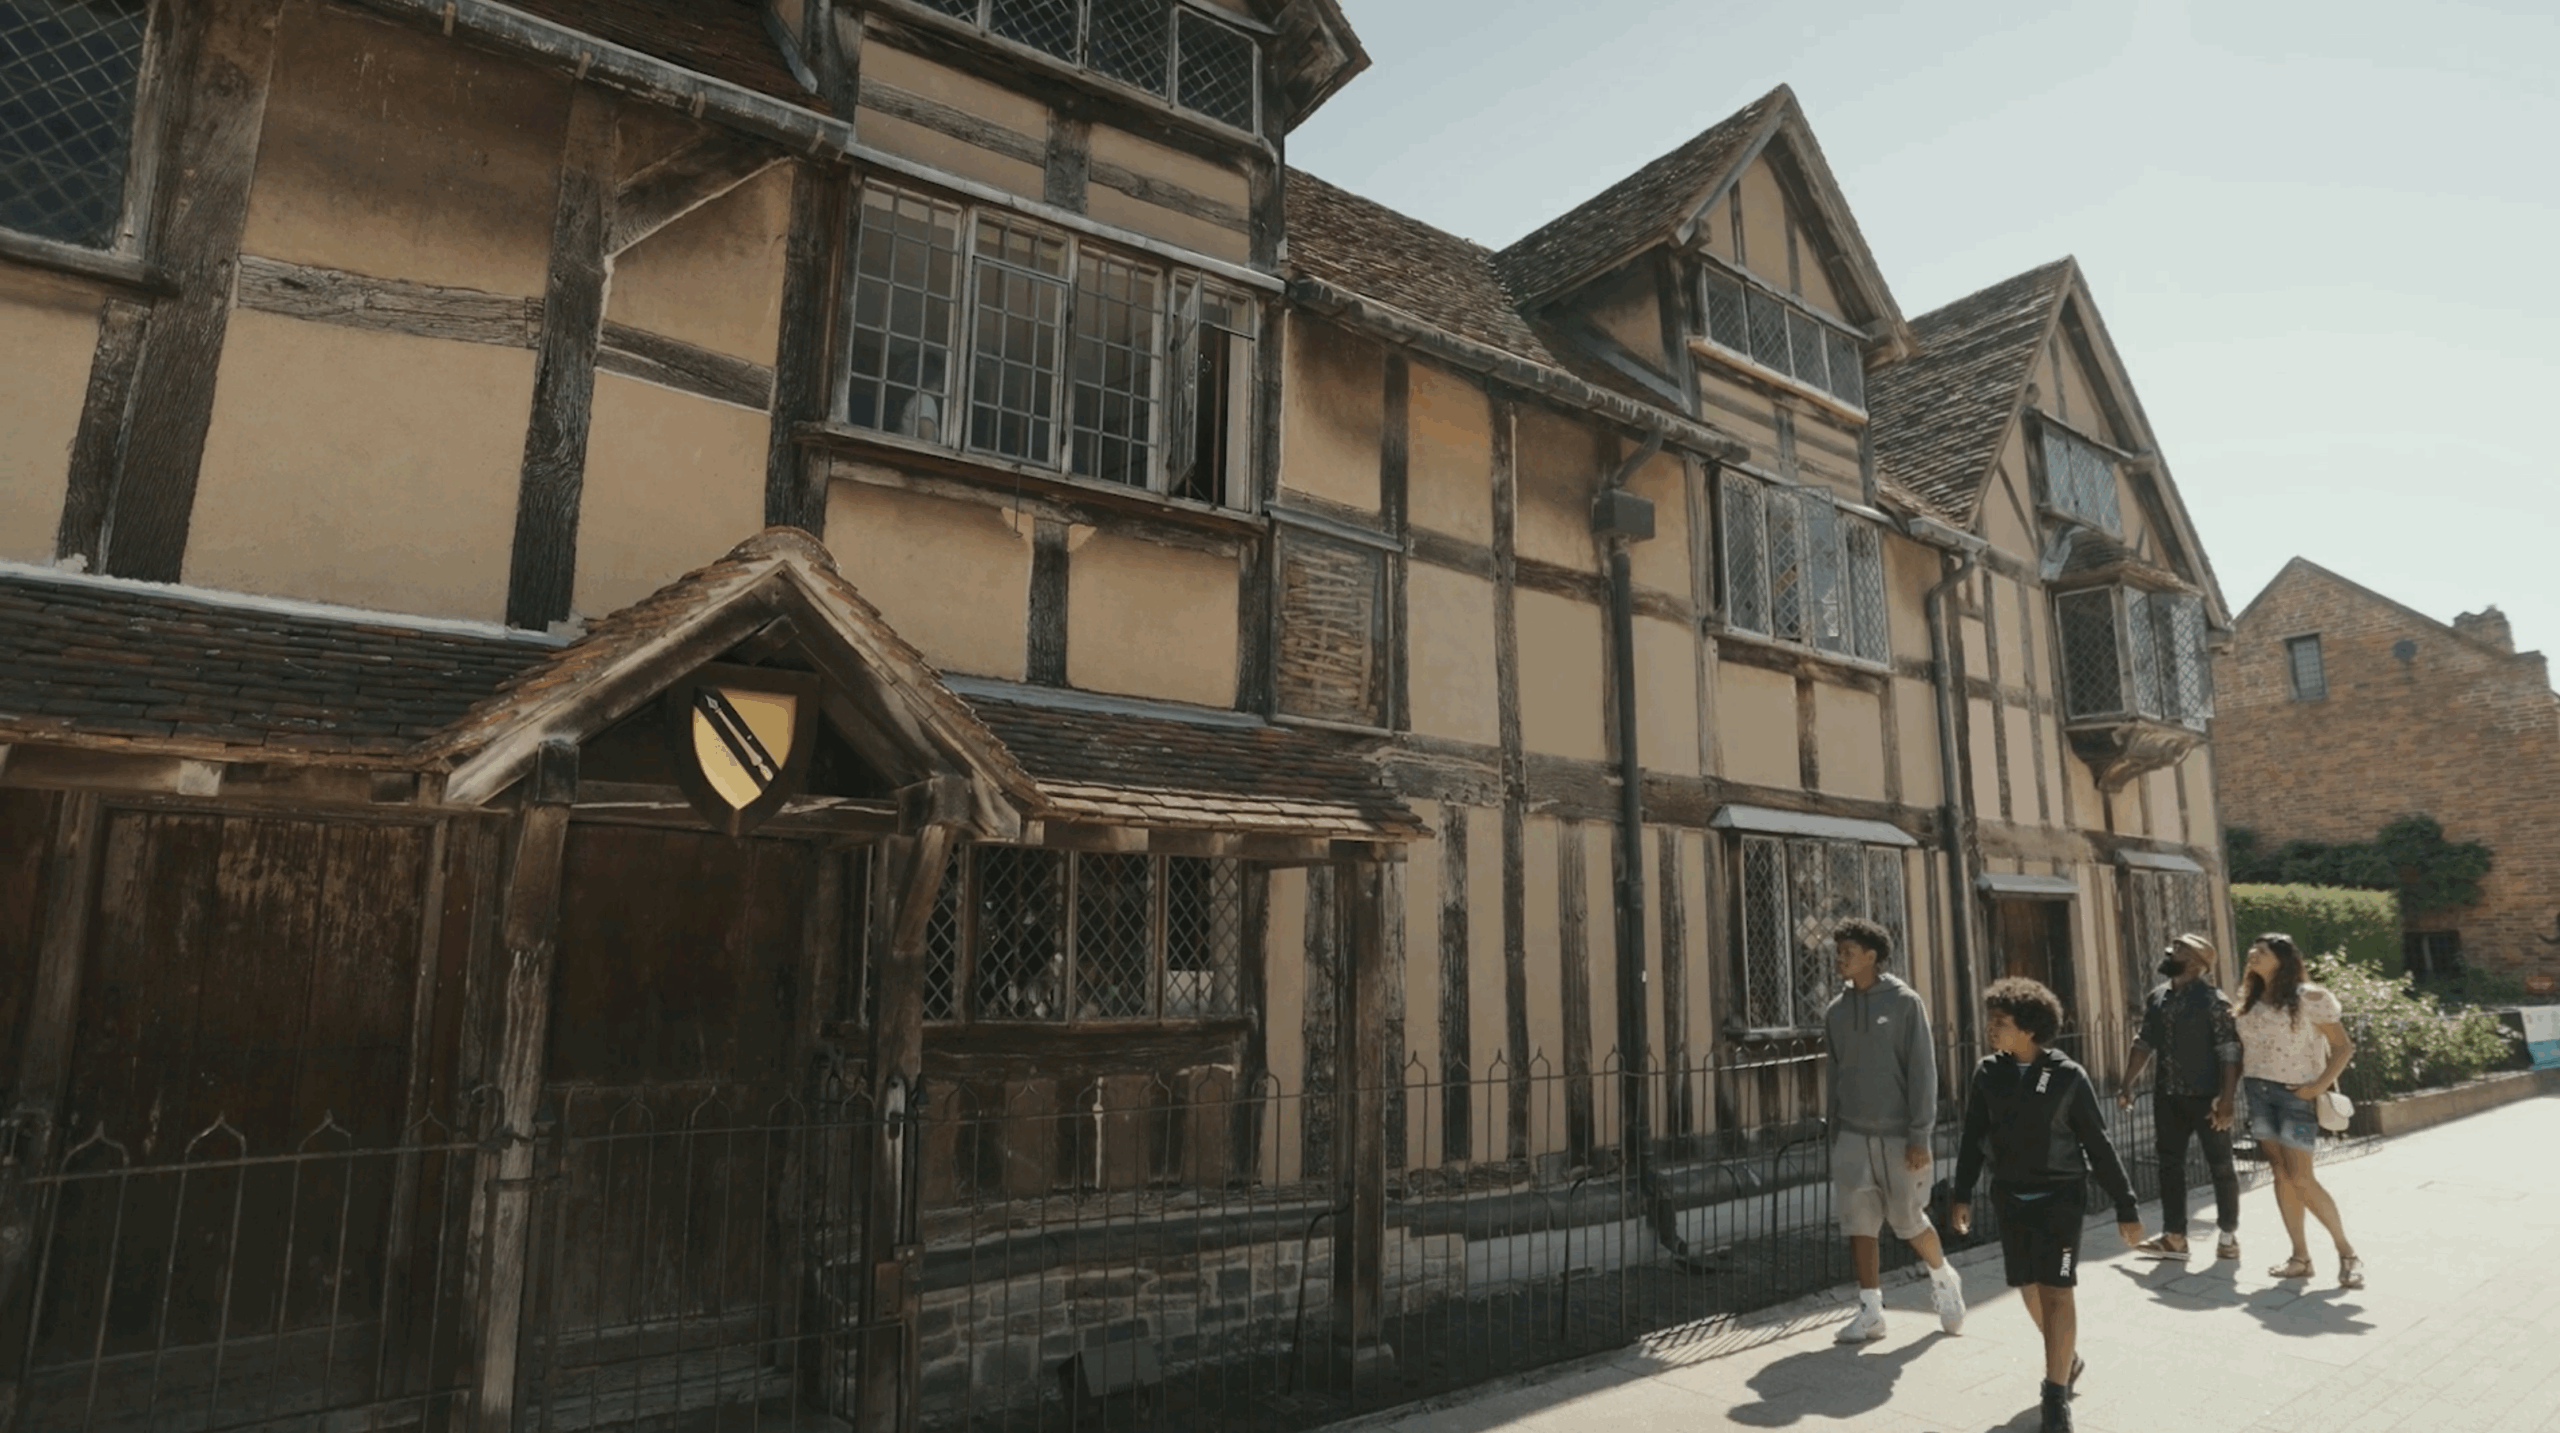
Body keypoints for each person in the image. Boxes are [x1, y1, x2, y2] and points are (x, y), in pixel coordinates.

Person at [1948, 978, 2144, 1433]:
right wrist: (1961, 1192)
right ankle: (2066, 1357)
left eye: (2001, 1022)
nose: (1991, 1029)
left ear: (2030, 1029)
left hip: (2060, 1197)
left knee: (2058, 1289)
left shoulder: (2066, 1076)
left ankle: (2054, 1396)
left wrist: (2126, 1204)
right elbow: (1974, 1137)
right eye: (1991, 1020)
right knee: (2028, 1286)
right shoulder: (1987, 1073)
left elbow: (2098, 1143)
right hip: (2010, 1197)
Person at [1823, 917, 1966, 1343]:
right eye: (1839, 951)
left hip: (1899, 1137)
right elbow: (1834, 1075)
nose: (1840, 958)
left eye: (1848, 951)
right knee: (1858, 1223)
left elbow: (1923, 1070)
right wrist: (1835, 1132)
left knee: (1908, 1222)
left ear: (1871, 955)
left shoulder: (1905, 1003)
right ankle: (1870, 1311)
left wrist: (1920, 1134)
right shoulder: (1836, 1011)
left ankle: (1942, 1279)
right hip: (1851, 1135)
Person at [2235, 932, 2363, 1288]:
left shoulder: (2310, 998)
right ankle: (2300, 1257)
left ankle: (2347, 1253)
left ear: (2282, 959)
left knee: (2302, 1177)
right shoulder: (2250, 999)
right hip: (2258, 1092)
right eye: (2252, 948)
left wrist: (2317, 1087)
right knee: (2280, 1174)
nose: (2252, 954)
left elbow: (2343, 1047)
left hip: (2295, 1096)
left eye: (2261, 951)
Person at [2117, 932, 2243, 1260]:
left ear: (2197, 963)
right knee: (2169, 1166)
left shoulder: (2215, 1001)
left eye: (2179, 949)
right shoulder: (2158, 997)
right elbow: (2144, 1042)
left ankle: (2228, 1235)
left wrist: (2227, 1099)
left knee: (2221, 1166)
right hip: (2168, 1098)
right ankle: (2174, 1237)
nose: (2169, 951)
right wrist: (2127, 1082)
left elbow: (2230, 1051)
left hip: (2207, 1100)